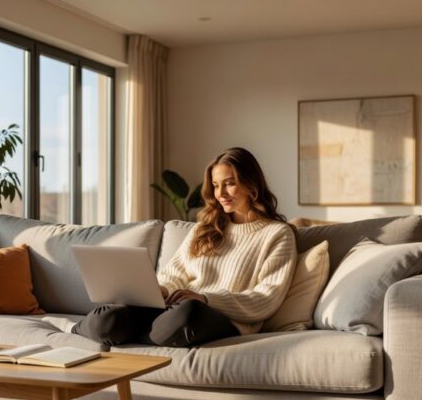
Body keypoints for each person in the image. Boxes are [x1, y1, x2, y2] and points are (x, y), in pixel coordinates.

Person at [71, 147, 298, 347]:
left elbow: (266, 299)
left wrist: (206, 298)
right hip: (171, 311)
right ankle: (104, 328)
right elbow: (174, 275)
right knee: (109, 316)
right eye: (217, 186)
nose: (220, 194)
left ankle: (123, 333)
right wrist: (161, 290)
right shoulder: (204, 228)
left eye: (230, 184)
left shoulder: (277, 234)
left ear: (251, 184)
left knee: (189, 314)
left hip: (217, 317)